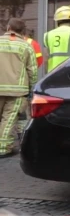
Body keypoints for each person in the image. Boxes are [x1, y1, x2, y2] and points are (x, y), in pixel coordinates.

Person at [0, 19, 37, 158]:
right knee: (8, 119)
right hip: (17, 90)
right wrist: (31, 88)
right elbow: (32, 71)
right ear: (23, 31)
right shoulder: (26, 47)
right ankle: (3, 148)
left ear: (9, 27)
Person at [43, 6, 70, 73]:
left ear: (57, 20)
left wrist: (47, 74)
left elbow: (46, 58)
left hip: (53, 73)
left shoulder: (47, 35)